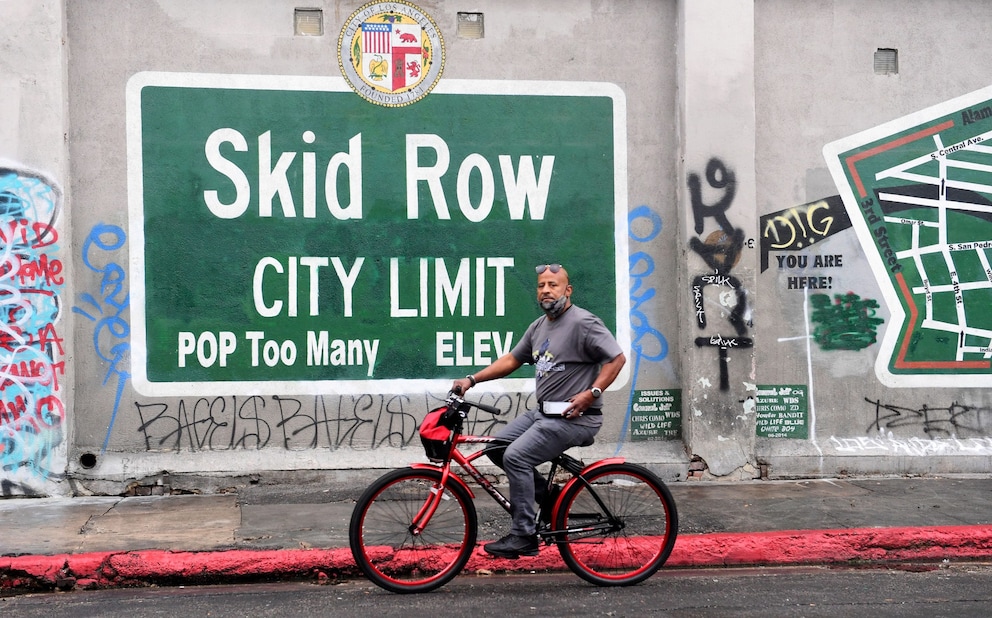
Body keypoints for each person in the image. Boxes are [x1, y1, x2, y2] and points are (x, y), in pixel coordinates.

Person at [450, 263, 626, 558]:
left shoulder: (584, 322)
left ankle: (524, 535)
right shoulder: (538, 326)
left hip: (576, 418)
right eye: (541, 285)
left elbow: (616, 359)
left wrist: (592, 393)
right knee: (498, 448)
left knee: (516, 457)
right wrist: (471, 380)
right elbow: (512, 360)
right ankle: (549, 496)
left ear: (567, 290)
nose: (546, 290)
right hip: (544, 414)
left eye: (553, 285)